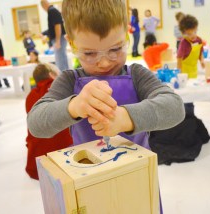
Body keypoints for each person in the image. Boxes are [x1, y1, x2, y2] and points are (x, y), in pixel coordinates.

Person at [28, 0, 184, 165]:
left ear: (126, 34)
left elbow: (174, 107)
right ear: (71, 43)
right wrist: (75, 106)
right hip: (91, 180)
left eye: (115, 49)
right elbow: (36, 123)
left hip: (139, 175)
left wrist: (124, 118)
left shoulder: (137, 75)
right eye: (89, 53)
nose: (104, 63)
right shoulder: (69, 81)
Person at [25, 63, 73, 180]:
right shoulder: (62, 90)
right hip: (67, 159)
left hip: (37, 165)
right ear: (52, 75)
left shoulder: (30, 96)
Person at [177, 14, 205, 115]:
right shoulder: (183, 43)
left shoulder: (199, 40)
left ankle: (190, 116)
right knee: (186, 97)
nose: (192, 35)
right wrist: (179, 73)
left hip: (194, 72)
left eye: (194, 32)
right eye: (189, 34)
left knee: (192, 95)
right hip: (184, 73)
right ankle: (188, 117)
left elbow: (200, 52)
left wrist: (202, 60)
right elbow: (179, 59)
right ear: (183, 33)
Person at [41, 0, 69, 72]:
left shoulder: (52, 11)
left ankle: (64, 80)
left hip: (60, 38)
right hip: (59, 38)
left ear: (43, 5)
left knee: (61, 61)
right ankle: (65, 78)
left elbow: (57, 26)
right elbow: (52, 28)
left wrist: (58, 41)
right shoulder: (53, 11)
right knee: (61, 60)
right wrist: (43, 33)